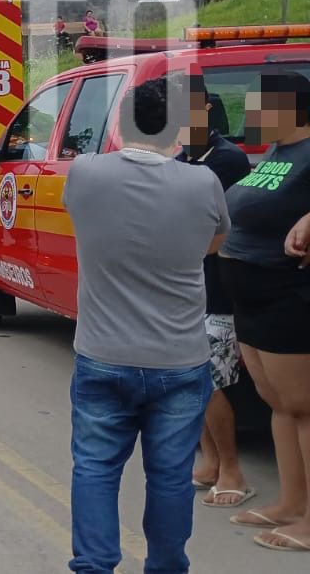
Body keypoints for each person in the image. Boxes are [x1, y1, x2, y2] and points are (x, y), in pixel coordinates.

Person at [63, 76, 229, 573]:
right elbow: (215, 242)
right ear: (177, 129)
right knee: (171, 478)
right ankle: (167, 566)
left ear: (121, 123)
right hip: (179, 360)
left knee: (95, 469)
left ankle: (95, 565)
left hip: (103, 355)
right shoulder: (203, 182)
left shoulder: (85, 173)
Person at [218, 71, 310, 551]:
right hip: (249, 295)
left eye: (259, 105)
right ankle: (291, 504)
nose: (250, 114)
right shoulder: (276, 152)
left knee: (305, 406)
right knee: (279, 405)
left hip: (287, 294)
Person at [176, 91, 255, 509]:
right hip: (186, 288)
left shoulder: (227, 160)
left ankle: (232, 471)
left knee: (212, 381)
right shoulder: (182, 160)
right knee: (192, 380)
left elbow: (208, 224)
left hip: (219, 289)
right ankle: (209, 462)